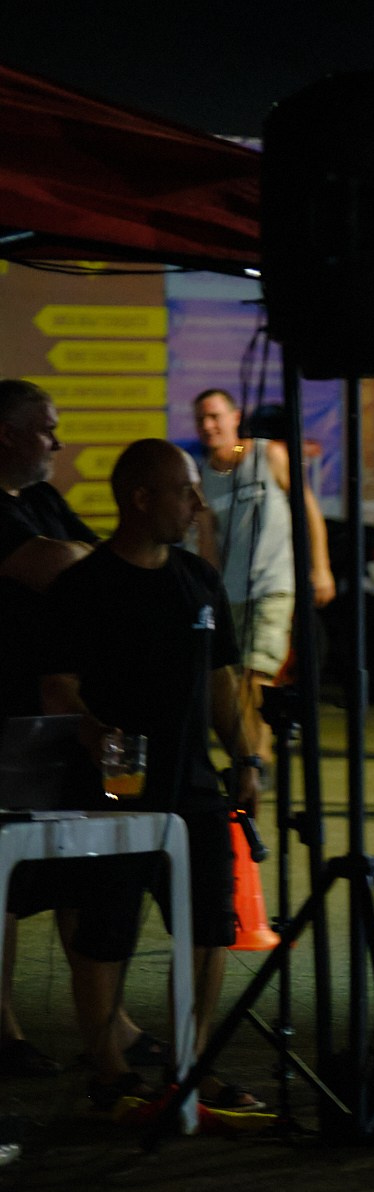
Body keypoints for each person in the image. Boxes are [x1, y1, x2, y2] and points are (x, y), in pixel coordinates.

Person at [41, 438, 269, 1110]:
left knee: (208, 926)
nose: (197, 503)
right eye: (185, 491)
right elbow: (57, 683)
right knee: (105, 928)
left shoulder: (197, 580)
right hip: (115, 789)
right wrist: (93, 730)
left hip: (194, 788)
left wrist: (247, 756)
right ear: (140, 498)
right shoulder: (84, 586)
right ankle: (110, 1071)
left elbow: (223, 680)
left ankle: (192, 1065)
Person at [0, 379, 103, 1077]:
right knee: (1, 877)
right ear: (6, 434)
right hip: (3, 711)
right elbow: (54, 564)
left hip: (54, 710)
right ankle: (2, 1027)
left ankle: (109, 1023)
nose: (58, 443)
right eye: (46, 430)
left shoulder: (40, 501)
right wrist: (88, 560)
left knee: (78, 865)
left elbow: (94, 555)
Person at [191, 388, 335, 767]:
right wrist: (209, 592)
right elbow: (208, 543)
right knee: (234, 679)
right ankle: (254, 754)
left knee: (259, 671)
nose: (209, 426)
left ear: (235, 417)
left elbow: (308, 511)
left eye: (216, 416)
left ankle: (257, 756)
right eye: (202, 419)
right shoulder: (206, 477)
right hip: (230, 592)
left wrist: (320, 566)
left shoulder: (268, 455)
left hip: (274, 584)